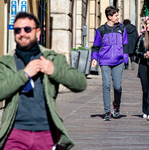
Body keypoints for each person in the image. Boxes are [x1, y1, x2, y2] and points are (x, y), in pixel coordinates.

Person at [0, 12, 87, 150]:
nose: (22, 34)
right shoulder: (6, 62)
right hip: (15, 133)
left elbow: (81, 83)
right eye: (17, 30)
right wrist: (24, 74)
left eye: (27, 29)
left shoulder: (52, 58)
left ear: (38, 32)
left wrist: (54, 71)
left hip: (46, 133)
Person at [91, 6, 129, 121]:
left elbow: (126, 44)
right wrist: (94, 58)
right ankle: (107, 111)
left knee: (117, 87)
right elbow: (96, 47)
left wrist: (125, 58)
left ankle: (116, 106)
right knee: (106, 86)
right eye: (116, 15)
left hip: (118, 62)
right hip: (105, 61)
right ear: (110, 16)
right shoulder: (101, 30)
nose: (118, 17)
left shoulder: (121, 28)